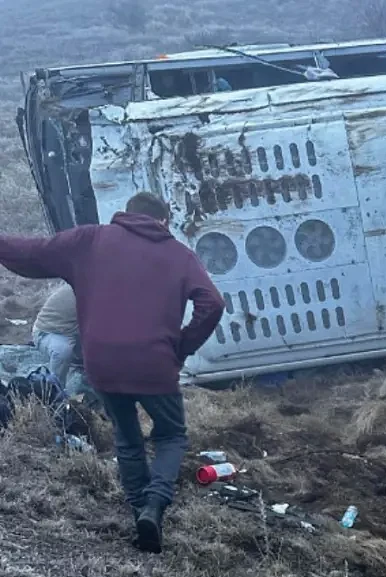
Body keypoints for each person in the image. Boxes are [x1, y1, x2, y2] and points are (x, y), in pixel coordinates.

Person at [0, 192, 225, 553]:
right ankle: (154, 503)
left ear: (125, 215)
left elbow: (31, 253)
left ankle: (139, 512)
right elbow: (213, 303)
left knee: (126, 435)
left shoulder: (90, 240)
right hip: (154, 364)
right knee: (170, 436)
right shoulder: (179, 255)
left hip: (101, 361)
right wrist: (182, 347)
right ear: (163, 221)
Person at [31, 283, 79, 388]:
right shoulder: (85, 289)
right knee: (63, 350)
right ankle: (55, 391)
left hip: (76, 333)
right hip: (49, 332)